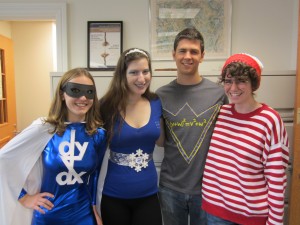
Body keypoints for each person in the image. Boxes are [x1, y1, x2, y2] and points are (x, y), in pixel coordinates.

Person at [0, 68, 107, 225]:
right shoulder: (44, 129)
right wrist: (23, 197)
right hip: (48, 215)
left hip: (83, 215)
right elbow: (4, 159)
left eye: (89, 92)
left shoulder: (98, 135)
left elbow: (96, 176)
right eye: (75, 90)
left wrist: (96, 209)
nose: (83, 97)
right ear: (62, 94)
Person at [201, 53, 289, 225]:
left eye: (241, 80)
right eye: (228, 81)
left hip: (251, 217)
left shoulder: (269, 120)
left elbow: (277, 178)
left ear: (253, 83)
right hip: (215, 212)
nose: (233, 87)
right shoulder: (220, 114)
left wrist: (275, 222)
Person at [156, 27, 228, 225]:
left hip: (209, 189)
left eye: (194, 51)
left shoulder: (219, 94)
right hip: (170, 187)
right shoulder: (161, 95)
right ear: (174, 54)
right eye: (183, 51)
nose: (188, 56)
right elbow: (161, 141)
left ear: (202, 56)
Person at [99, 48, 164, 225]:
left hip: (148, 195)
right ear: (122, 75)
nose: (141, 78)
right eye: (134, 72)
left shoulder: (156, 102)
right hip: (114, 196)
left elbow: (161, 141)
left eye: (145, 71)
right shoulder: (105, 106)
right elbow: (92, 149)